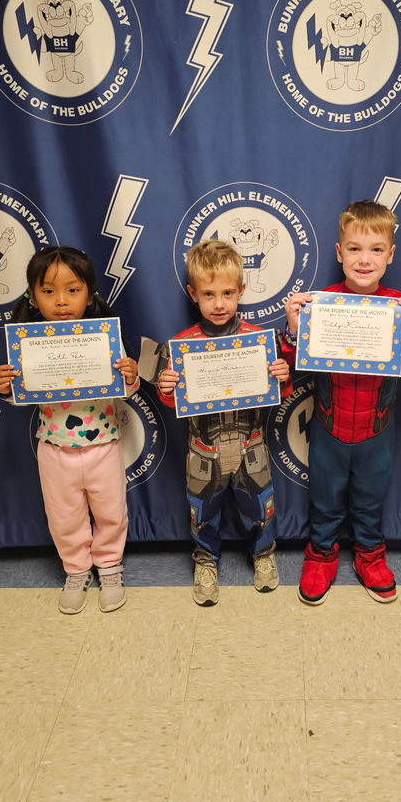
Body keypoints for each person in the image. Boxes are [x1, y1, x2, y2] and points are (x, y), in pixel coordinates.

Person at [283, 200, 401, 605]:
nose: (364, 259)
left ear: (391, 255)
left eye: (376, 249)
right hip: (328, 427)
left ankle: (370, 555)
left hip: (376, 430)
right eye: (354, 248)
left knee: (370, 499)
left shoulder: (400, 305)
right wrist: (294, 330)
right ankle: (321, 555)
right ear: (339, 253)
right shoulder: (322, 302)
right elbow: (293, 369)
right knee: (325, 499)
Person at [0, 246, 139, 615]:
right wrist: (6, 387)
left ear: (89, 295)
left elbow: (126, 389)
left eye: (73, 290)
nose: (61, 301)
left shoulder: (105, 337)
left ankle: (109, 567)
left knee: (111, 512)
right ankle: (76, 570)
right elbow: (20, 395)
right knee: (64, 517)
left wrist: (131, 376)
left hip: (103, 443)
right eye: (48, 291)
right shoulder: (27, 344)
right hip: (54, 449)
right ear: (32, 295)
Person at [157, 239, 291, 607]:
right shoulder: (182, 345)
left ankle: (263, 554)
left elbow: (280, 389)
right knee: (202, 511)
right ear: (193, 294)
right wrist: (166, 387)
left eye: (227, 293)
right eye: (209, 293)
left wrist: (282, 374)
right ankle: (205, 560)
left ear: (241, 291)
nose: (219, 303)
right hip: (204, 450)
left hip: (251, 444)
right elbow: (171, 402)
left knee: (261, 506)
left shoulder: (258, 341)